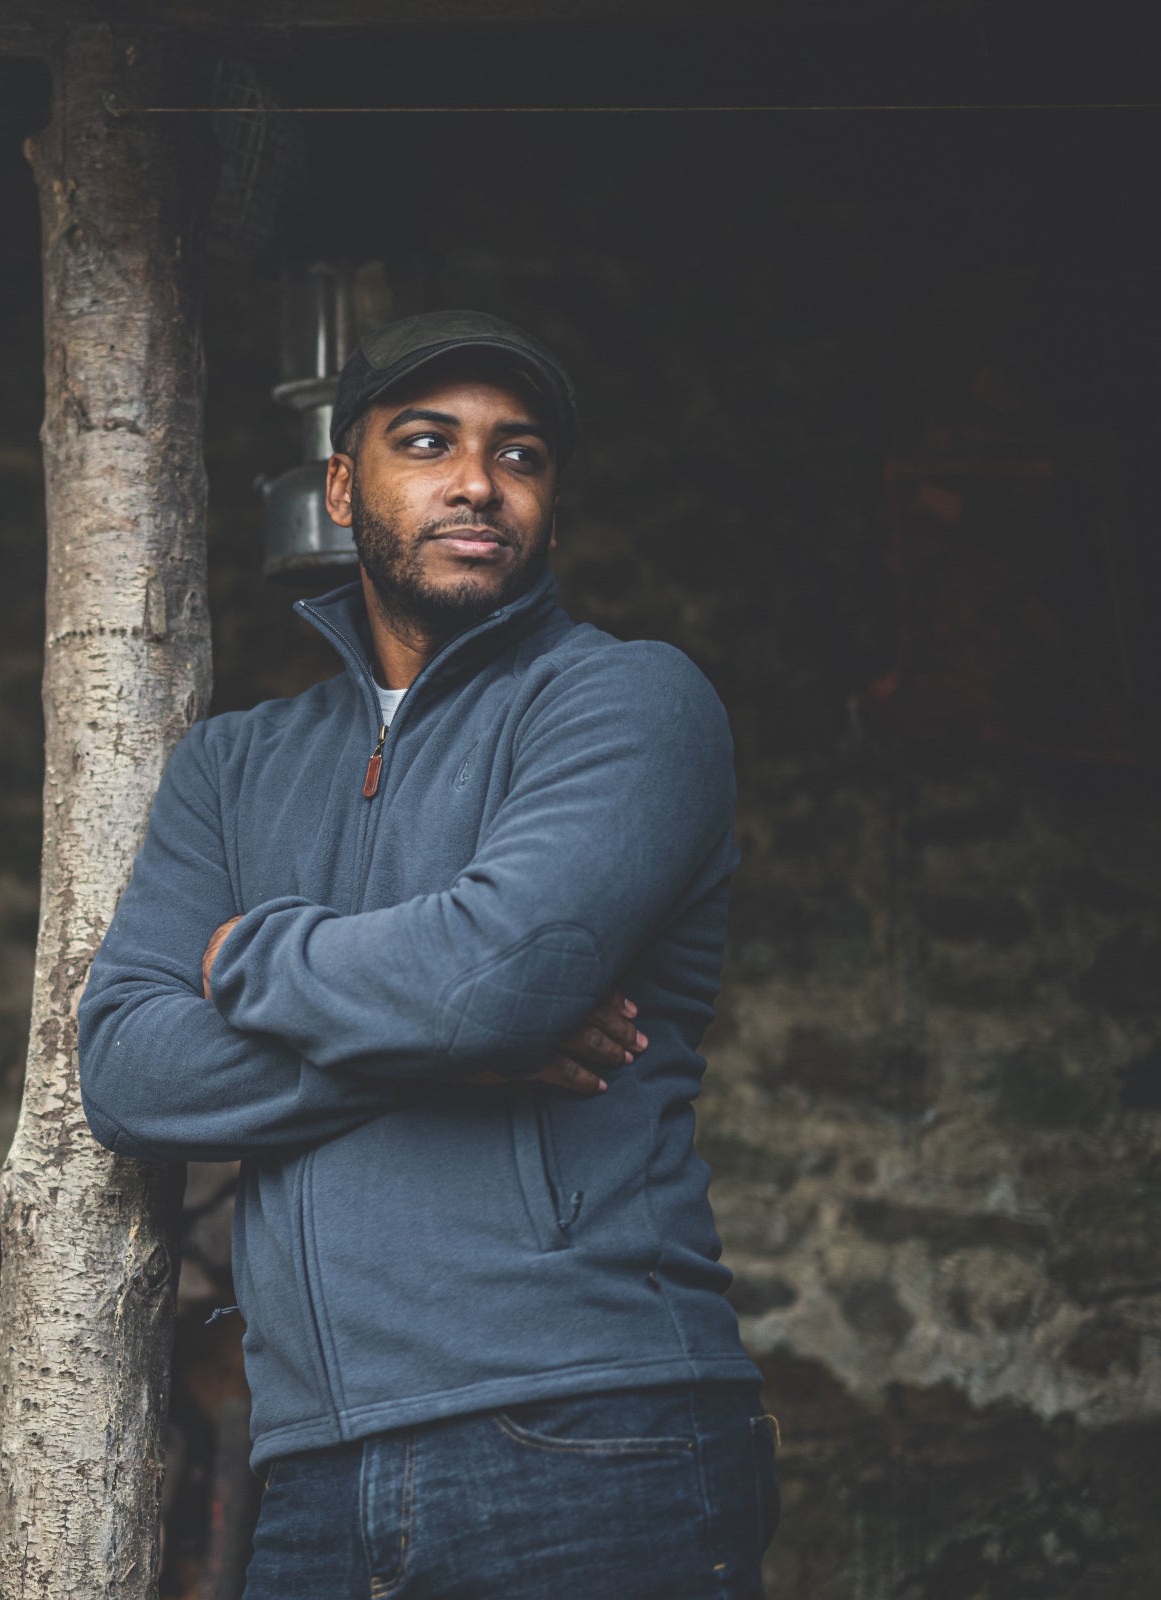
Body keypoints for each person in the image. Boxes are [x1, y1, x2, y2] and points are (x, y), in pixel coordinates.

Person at [77, 310, 779, 1599]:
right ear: (345, 489)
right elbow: (128, 1071)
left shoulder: (627, 701)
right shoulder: (234, 768)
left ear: (552, 506)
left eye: (519, 456)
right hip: (313, 1467)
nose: (476, 482)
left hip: (588, 1428)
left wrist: (255, 954)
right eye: (427, 443)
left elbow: (497, 981)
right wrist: (466, 1047)